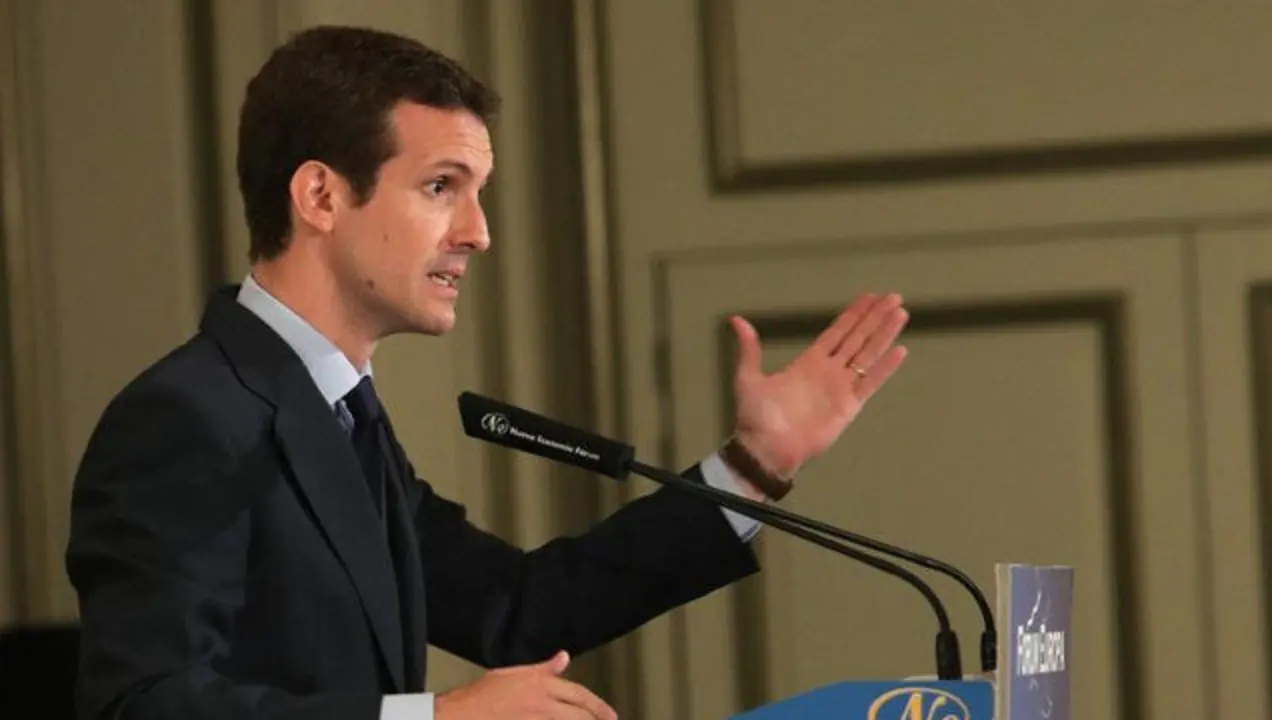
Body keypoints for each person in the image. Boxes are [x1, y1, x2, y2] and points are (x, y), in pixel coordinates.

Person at [64, 25, 909, 720]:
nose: (479, 232)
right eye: (442, 186)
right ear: (320, 197)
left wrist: (754, 468)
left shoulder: (339, 416)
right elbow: (140, 706)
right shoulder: (186, 417)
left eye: (480, 191)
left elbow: (518, 608)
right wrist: (432, 719)